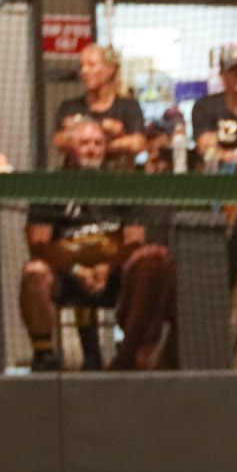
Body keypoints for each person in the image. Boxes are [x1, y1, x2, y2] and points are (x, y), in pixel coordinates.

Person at [20, 116, 176, 371]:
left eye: (97, 143)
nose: (92, 149)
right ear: (70, 148)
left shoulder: (122, 185)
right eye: (84, 143)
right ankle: (44, 356)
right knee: (33, 272)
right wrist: (78, 269)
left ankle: (132, 352)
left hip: (113, 274)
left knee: (151, 260)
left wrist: (106, 267)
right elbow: (38, 243)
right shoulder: (50, 185)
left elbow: (135, 240)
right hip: (66, 273)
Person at [54, 43, 146, 165]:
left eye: (91, 65)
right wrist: (101, 129)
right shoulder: (70, 106)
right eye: (82, 66)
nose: (84, 71)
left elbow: (137, 143)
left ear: (110, 69)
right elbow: (59, 141)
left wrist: (95, 143)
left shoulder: (129, 107)